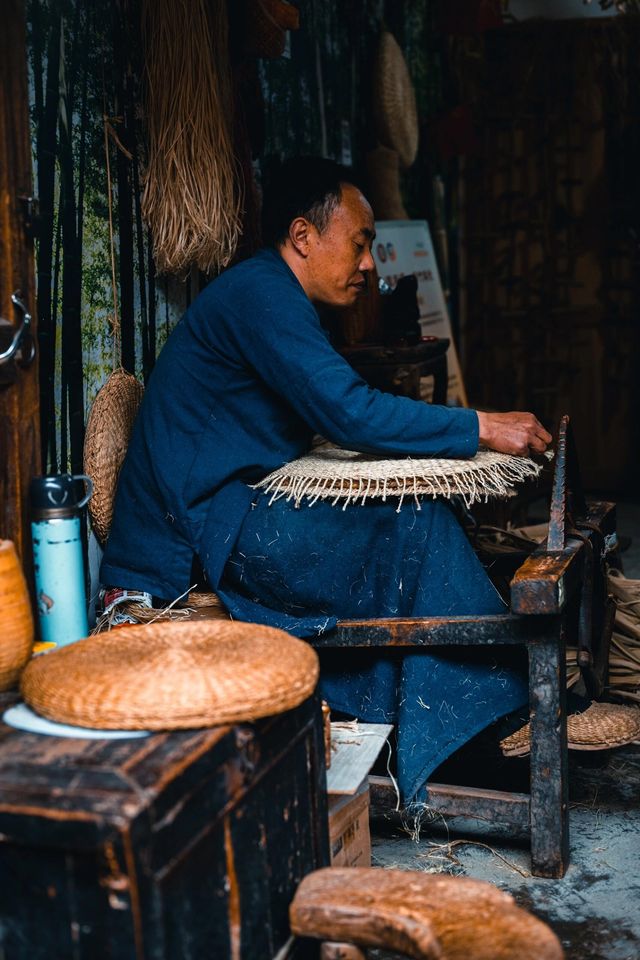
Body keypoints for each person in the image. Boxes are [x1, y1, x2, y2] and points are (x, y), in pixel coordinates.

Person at [101, 157, 552, 802]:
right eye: (361, 243)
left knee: (419, 515)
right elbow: (348, 411)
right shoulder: (260, 294)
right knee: (412, 519)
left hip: (225, 512)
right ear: (304, 237)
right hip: (197, 539)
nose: (369, 264)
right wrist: (480, 426)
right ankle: (484, 727)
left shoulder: (274, 295)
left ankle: (443, 724)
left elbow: (337, 409)